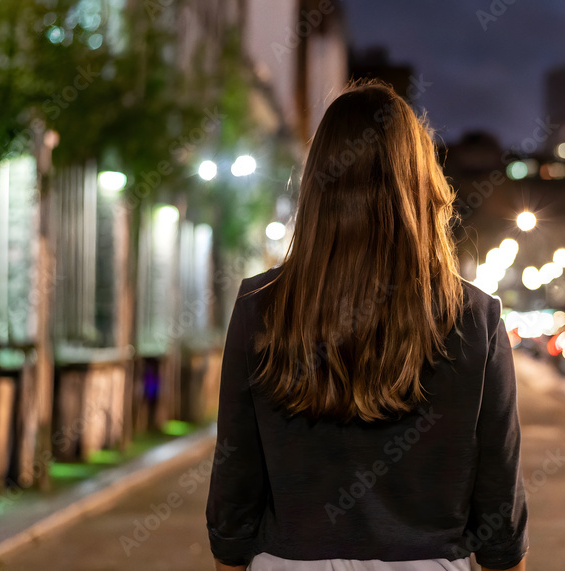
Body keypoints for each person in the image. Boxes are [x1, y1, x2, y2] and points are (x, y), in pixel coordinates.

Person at [205, 80, 528, 571]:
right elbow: (499, 517)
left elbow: (235, 493)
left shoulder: (260, 307)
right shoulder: (475, 318)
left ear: (317, 186)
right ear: (421, 188)